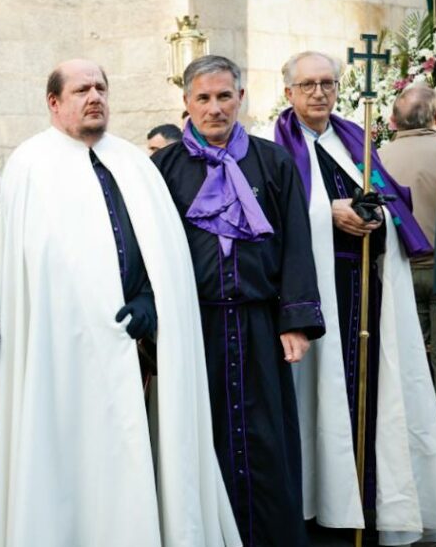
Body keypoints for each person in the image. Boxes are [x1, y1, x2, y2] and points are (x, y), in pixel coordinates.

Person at [0, 59, 239, 546]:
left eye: (100, 87)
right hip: (62, 349)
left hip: (135, 343)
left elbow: (161, 251)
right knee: (74, 457)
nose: (94, 96)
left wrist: (150, 300)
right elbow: (33, 266)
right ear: (54, 103)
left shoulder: (135, 163)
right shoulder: (31, 165)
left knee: (137, 448)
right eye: (81, 90)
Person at [274, 51, 436, 544]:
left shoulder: (355, 138)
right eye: (308, 84)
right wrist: (325, 213)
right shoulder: (272, 145)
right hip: (313, 298)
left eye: (328, 83)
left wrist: (376, 218)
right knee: (317, 400)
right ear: (287, 91)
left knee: (373, 398)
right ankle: (320, 506)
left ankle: (370, 503)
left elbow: (392, 201)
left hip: (367, 294)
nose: (319, 93)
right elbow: (272, 216)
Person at [153, 55, 325, 547]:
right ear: (186, 103)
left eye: (224, 96)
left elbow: (296, 242)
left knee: (267, 441)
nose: (214, 108)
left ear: (241, 98)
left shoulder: (273, 162)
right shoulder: (162, 169)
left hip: (259, 323)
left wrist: (295, 320)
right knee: (201, 439)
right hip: (195, 327)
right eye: (203, 98)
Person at [379, 84, 436, 468]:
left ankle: (408, 448)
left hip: (400, 273)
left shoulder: (376, 158)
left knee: (404, 360)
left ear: (392, 120)